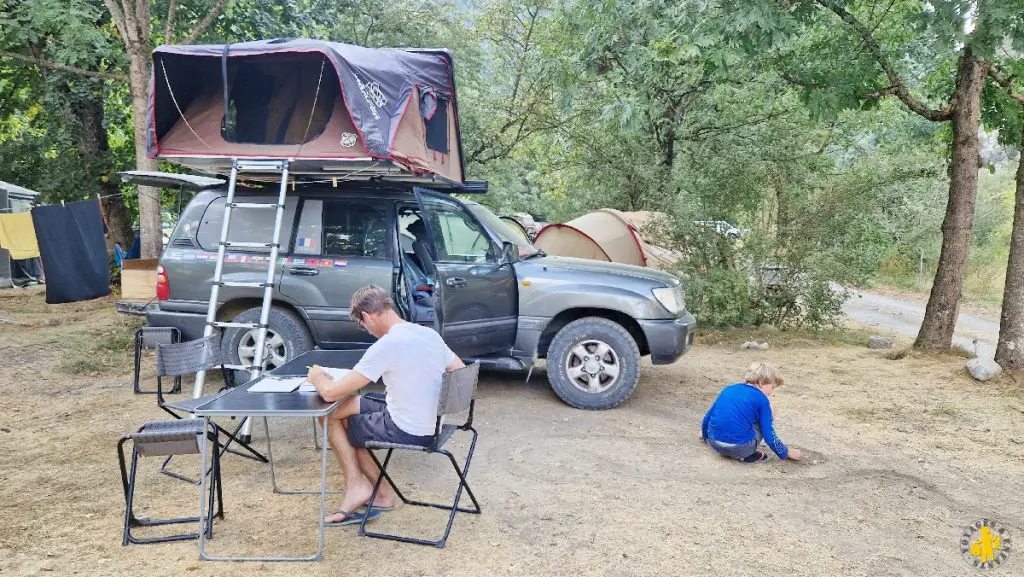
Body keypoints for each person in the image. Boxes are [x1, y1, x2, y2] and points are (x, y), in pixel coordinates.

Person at [307, 285, 464, 526]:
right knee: (341, 409)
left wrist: (318, 376)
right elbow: (459, 370)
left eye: (364, 325)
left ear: (367, 316)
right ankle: (381, 494)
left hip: (409, 430)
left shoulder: (387, 345)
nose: (368, 331)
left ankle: (357, 486)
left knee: (331, 416)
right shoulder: (427, 334)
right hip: (429, 422)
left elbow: (329, 393)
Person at [700, 362, 803, 463]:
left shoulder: (728, 389)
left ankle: (729, 449)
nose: (771, 392)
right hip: (740, 448)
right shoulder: (762, 399)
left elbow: (707, 418)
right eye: (772, 387)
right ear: (761, 383)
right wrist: (786, 453)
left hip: (714, 443)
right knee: (770, 410)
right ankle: (747, 455)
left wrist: (706, 438)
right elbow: (769, 435)